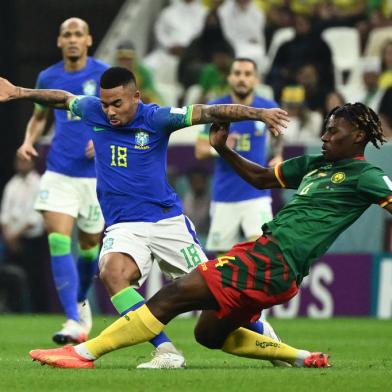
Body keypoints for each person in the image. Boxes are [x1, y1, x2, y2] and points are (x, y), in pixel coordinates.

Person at [26, 102, 392, 371]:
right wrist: (222, 148)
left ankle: (84, 354)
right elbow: (263, 178)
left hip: (276, 259)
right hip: (267, 257)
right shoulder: (317, 164)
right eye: (325, 129)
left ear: (358, 136)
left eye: (334, 132)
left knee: (175, 293)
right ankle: (298, 357)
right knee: (209, 333)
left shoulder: (367, 176)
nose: (325, 136)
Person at [0, 66, 289, 368]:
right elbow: (62, 98)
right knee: (113, 273)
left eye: (117, 104)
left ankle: (267, 337)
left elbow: (209, 110)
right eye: (105, 103)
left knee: (218, 297)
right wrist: (19, 92)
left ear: (136, 97)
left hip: (167, 222)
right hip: (124, 225)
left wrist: (259, 114)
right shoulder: (93, 111)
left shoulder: (157, 118)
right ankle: (166, 351)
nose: (109, 111)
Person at [16, 18, 108, 344]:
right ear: (59, 42)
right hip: (58, 172)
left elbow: (123, 117)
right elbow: (39, 116)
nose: (72, 40)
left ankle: (81, 306)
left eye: (78, 34)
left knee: (87, 250)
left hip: (95, 179)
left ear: (88, 40)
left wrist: (102, 139)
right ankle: (72, 319)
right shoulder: (49, 76)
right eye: (66, 35)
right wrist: (29, 140)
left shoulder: (104, 75)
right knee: (58, 239)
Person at [196, 58, 283, 255]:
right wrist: (217, 147)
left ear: (256, 79)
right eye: (237, 73)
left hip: (256, 194)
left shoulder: (267, 107)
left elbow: (278, 135)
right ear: (229, 78)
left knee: (263, 254)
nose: (241, 79)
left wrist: (277, 155)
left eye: (247, 74)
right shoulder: (215, 108)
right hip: (225, 195)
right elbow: (199, 150)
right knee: (223, 262)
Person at [0, 155, 48, 312]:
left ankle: (37, 310)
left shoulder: (39, 183)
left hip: (32, 239)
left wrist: (15, 234)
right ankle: (17, 309)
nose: (20, 164)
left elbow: (36, 217)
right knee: (16, 276)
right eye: (18, 160)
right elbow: (5, 214)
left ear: (32, 162)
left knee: (35, 276)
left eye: (24, 161)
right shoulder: (12, 184)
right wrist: (9, 236)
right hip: (12, 240)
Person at [115, 41, 163, 105]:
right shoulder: (113, 72)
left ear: (133, 58)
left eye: (128, 58)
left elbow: (149, 95)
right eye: (122, 58)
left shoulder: (143, 72)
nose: (125, 62)